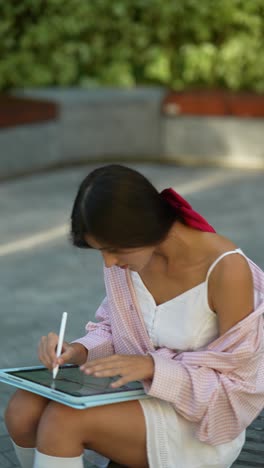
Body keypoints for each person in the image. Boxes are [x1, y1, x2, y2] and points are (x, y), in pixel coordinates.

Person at [4, 164, 264, 468]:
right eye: (100, 250)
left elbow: (236, 382)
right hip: (138, 395)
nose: (109, 261)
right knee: (22, 410)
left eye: (113, 249)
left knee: (63, 421)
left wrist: (152, 367)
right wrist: (76, 351)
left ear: (145, 226)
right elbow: (114, 329)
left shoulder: (226, 270)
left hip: (200, 420)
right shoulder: (127, 264)